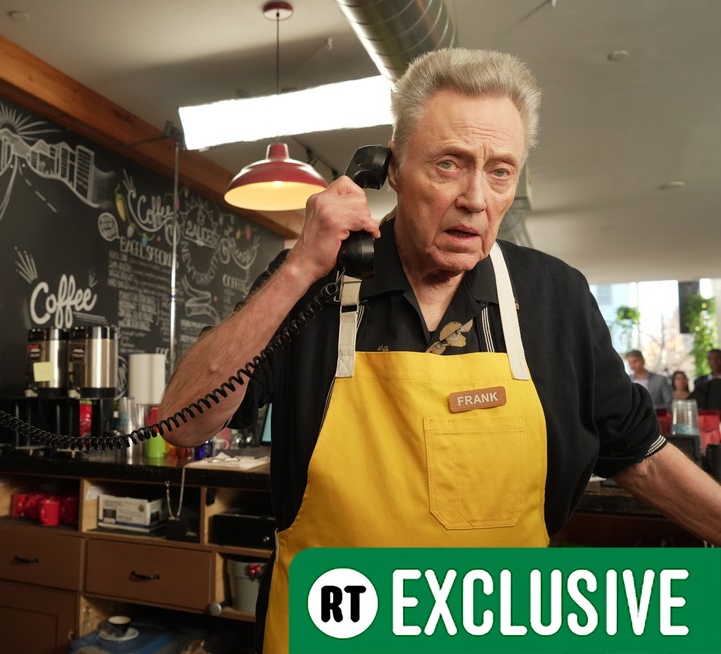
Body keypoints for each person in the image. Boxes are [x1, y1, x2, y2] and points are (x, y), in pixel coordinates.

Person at [158, 48, 721, 653]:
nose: (476, 197)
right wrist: (298, 268)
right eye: (449, 164)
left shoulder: (555, 297)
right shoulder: (318, 284)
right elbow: (183, 424)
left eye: (500, 171)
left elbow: (639, 453)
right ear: (391, 168)